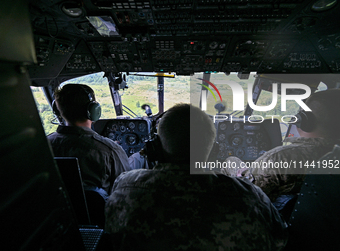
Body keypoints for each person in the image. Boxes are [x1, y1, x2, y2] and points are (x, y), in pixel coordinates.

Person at [105, 103, 288, 251]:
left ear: (155, 148)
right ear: (214, 152)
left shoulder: (124, 187)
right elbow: (279, 241)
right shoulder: (251, 196)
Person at [242, 89, 340, 202]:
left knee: (230, 162)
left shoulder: (281, 158)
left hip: (277, 218)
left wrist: (244, 172)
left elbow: (245, 198)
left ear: (304, 120)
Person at [47, 84, 130, 196]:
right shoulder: (111, 151)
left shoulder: (43, 146)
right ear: (93, 110)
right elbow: (127, 191)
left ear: (57, 110)